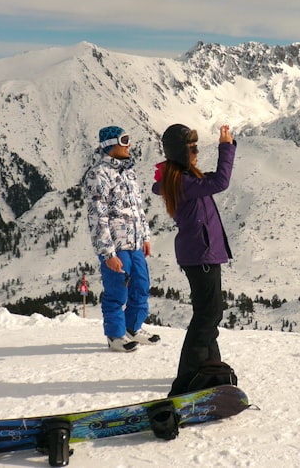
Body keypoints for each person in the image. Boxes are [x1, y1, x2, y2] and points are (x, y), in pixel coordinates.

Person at [153, 123, 235, 395]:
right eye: (193, 148)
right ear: (180, 152)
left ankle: (210, 369)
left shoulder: (184, 178)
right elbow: (221, 182)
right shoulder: (183, 182)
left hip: (203, 253)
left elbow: (211, 181)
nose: (198, 152)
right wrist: (226, 146)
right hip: (201, 254)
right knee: (206, 316)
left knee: (211, 314)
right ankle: (186, 379)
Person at [85, 125, 161, 352]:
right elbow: (97, 216)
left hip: (135, 242)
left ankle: (132, 328)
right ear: (111, 145)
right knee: (117, 290)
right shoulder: (97, 175)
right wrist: (108, 253)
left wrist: (145, 236)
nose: (129, 144)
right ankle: (115, 336)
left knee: (141, 286)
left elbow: (138, 208)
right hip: (116, 245)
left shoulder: (129, 172)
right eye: (124, 140)